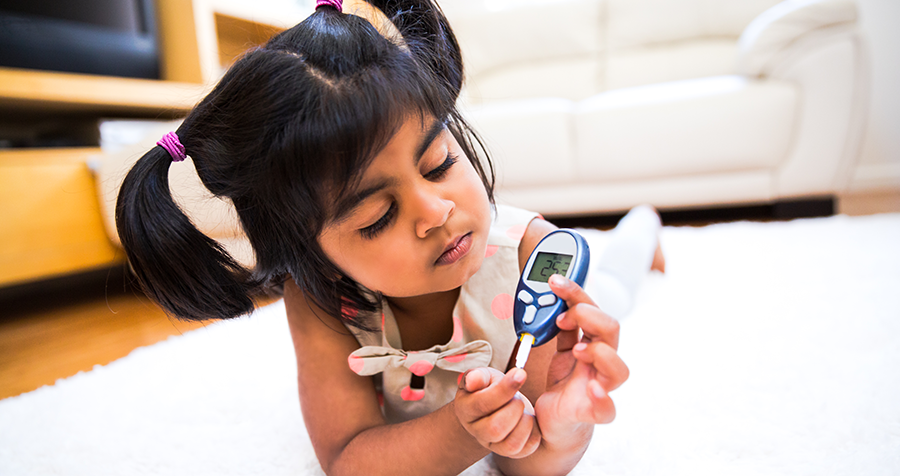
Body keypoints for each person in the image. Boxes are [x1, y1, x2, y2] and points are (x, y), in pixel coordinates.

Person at [114, 0, 661, 474]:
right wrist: (462, 430)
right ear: (314, 256)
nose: (436, 210)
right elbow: (350, 458)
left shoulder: (530, 256)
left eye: (440, 163)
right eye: (377, 217)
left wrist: (560, 425)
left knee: (616, 282)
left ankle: (643, 224)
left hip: (553, 269)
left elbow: (526, 462)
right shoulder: (322, 299)